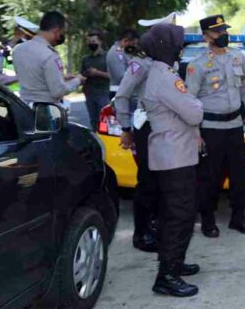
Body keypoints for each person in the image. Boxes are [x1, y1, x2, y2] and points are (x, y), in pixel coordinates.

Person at [142, 24, 203, 297]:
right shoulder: (166, 78)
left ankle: (174, 263)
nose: (181, 48)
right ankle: (166, 276)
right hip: (175, 157)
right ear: (167, 47)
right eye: (178, 43)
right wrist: (194, 102)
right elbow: (194, 113)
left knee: (174, 214)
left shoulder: (161, 73)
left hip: (173, 154)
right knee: (180, 216)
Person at [186, 15, 245, 238]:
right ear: (206, 36)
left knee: (239, 176)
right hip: (210, 129)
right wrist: (195, 134)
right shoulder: (197, 65)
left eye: (224, 30)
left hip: (235, 127)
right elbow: (190, 101)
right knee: (209, 179)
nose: (223, 35)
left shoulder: (237, 57)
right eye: (217, 32)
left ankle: (238, 218)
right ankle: (208, 221)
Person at [115, 36, 157, 253]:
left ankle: (154, 227)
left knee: (160, 181)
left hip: (163, 128)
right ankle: (141, 234)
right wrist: (124, 128)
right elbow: (122, 95)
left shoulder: (165, 64)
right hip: (146, 127)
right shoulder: (140, 64)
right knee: (147, 181)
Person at [13, 11, 86, 105]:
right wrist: (77, 81)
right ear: (56, 32)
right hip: (45, 110)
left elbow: (35, 77)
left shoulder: (18, 50)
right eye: (62, 34)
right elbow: (58, 91)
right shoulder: (50, 55)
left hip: (23, 108)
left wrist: (61, 78)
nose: (61, 37)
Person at [80, 29, 110, 130]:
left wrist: (97, 73)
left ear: (100, 41)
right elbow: (82, 75)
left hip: (103, 93)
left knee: (104, 120)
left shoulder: (108, 57)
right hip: (89, 93)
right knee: (93, 121)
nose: (91, 44)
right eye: (89, 42)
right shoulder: (86, 59)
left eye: (93, 41)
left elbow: (113, 76)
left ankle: (105, 141)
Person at [107, 29, 139, 99]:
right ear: (125, 41)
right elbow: (120, 76)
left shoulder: (122, 51)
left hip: (125, 93)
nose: (134, 47)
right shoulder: (116, 52)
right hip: (120, 94)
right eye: (133, 44)